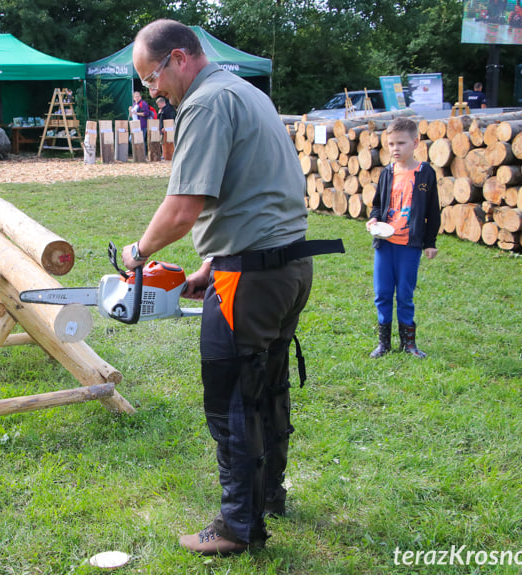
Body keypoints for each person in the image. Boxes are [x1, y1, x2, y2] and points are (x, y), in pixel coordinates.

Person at [122, 19, 342, 556]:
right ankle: (269, 496)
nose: (152, 92)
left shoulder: (204, 103)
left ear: (178, 58)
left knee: (232, 401)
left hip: (253, 277)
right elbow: (251, 191)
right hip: (286, 267)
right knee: (267, 386)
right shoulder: (245, 91)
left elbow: (181, 209)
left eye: (151, 78)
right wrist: (211, 265)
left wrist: (138, 254)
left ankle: (237, 526)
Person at [366, 118, 440, 359]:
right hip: (385, 244)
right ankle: (384, 343)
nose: (395, 149)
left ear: (415, 142)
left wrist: (430, 242)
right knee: (382, 293)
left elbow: (433, 211)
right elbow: (377, 205)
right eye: (390, 144)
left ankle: (409, 344)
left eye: (401, 143)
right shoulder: (387, 172)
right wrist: (374, 220)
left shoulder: (425, 173)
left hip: (409, 245)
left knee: (405, 294)